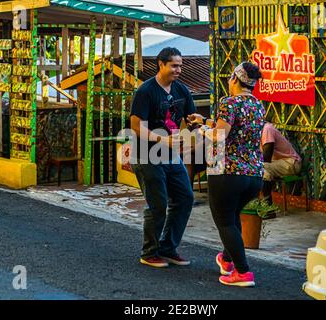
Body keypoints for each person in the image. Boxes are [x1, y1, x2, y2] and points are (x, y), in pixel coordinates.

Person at [188, 61, 265, 287]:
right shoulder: (258, 105)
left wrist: (201, 129)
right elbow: (233, 128)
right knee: (232, 218)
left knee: (224, 221)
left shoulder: (229, 102)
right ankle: (227, 260)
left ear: (233, 79)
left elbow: (219, 136)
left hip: (227, 171)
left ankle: (243, 272)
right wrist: (205, 121)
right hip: (253, 174)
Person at [129, 47, 195, 268]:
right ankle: (149, 253)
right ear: (161, 64)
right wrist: (162, 140)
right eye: (174, 65)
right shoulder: (146, 91)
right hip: (146, 154)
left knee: (185, 198)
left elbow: (190, 118)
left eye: (180, 66)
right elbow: (136, 126)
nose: (179, 70)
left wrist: (196, 122)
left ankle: (168, 247)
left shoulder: (182, 90)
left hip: (171, 155)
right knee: (158, 203)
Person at [261, 122, 302, 209]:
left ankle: (268, 208)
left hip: (291, 162)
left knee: (262, 168)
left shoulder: (267, 129)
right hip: (277, 162)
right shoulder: (255, 131)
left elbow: (267, 157)